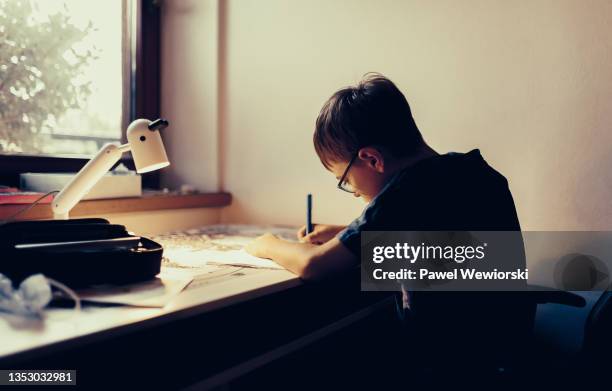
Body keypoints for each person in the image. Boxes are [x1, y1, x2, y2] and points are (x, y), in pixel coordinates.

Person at [245, 73, 533, 371]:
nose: (353, 191)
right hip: (503, 351)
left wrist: (268, 244)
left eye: (344, 179)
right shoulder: (473, 171)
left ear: (372, 159)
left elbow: (315, 265)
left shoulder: (405, 191)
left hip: (447, 365)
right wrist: (344, 233)